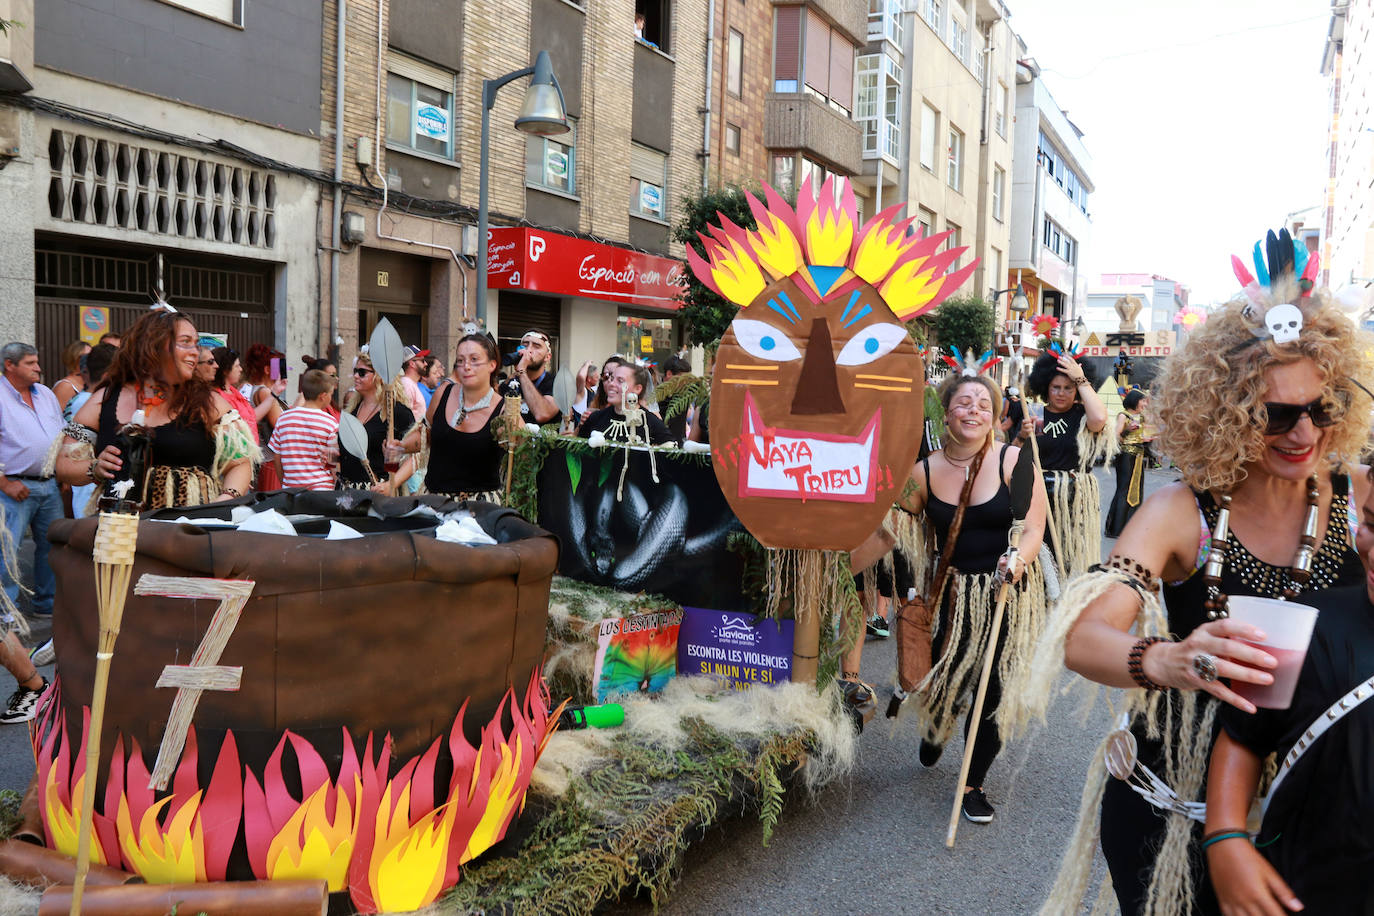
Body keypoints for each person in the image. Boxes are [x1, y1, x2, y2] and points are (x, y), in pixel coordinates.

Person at [1025, 229, 1374, 916]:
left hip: (1316, 806)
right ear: (1230, 410)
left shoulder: (1362, 498)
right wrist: (1168, 659)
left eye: (1320, 410)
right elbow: (1084, 636)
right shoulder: (1181, 514)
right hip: (1174, 811)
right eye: (1277, 414)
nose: (1303, 433)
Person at [1206, 474, 1374, 913]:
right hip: (1302, 886)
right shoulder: (1307, 623)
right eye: (1371, 523)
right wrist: (1224, 835)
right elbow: (1243, 734)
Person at [893, 373, 1047, 823]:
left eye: (984, 403)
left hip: (1004, 592)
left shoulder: (1014, 461)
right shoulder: (921, 471)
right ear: (946, 413)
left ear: (996, 415)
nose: (974, 410)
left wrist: (1017, 558)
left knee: (995, 686)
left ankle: (973, 784)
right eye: (964, 402)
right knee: (950, 674)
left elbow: (1033, 527)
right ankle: (938, 725)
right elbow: (895, 528)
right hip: (955, 595)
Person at [55, 309, 258, 510]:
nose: (195, 351)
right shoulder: (106, 399)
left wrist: (224, 500)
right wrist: (94, 468)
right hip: (119, 531)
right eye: (185, 342)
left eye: (196, 344)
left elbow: (240, 463)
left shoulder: (207, 403)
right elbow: (63, 464)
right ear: (154, 345)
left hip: (188, 531)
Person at [0, 342, 64, 722]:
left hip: (48, 483)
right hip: (14, 488)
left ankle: (44, 606)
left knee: (50, 550)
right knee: (7, 556)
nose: (39, 367)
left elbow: (56, 436)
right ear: (10, 366)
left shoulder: (45, 395)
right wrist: (4, 483)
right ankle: (7, 618)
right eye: (31, 362)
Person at [1016, 348, 1111, 576]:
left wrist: (1080, 377)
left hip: (1072, 498)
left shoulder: (1082, 415)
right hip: (1037, 495)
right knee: (1038, 557)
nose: (1061, 393)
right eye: (1056, 387)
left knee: (1067, 558)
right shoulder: (1034, 414)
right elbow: (1013, 458)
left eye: (1069, 388)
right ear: (1046, 388)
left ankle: (1065, 600)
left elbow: (1099, 419)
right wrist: (1021, 436)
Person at [396, 334, 506, 502]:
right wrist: (401, 446)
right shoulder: (443, 393)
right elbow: (426, 435)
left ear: (492, 365)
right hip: (434, 503)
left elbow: (521, 462)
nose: (466, 366)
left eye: (474, 359)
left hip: (479, 510)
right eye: (460, 361)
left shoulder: (504, 411)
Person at [338, 353, 415, 494]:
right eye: (355, 371)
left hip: (377, 493)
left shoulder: (397, 412)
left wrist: (392, 483)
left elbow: (416, 456)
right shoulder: (352, 409)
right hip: (346, 494)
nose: (355, 376)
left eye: (362, 372)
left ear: (379, 376)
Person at [269, 369, 339, 491]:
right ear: (323, 396)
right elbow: (334, 464)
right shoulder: (330, 423)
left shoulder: (283, 419)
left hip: (291, 491)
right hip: (322, 491)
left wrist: (285, 484)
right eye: (331, 394)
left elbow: (277, 456)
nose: (331, 398)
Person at [577, 363, 674, 445]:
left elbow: (671, 453)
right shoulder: (596, 418)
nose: (611, 384)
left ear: (637, 389)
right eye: (611, 378)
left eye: (620, 381)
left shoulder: (650, 423)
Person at [1104, 389, 1151, 538]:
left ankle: (1130, 527)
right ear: (1134, 400)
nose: (1144, 403)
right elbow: (1116, 435)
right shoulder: (1124, 416)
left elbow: (1150, 429)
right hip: (1126, 456)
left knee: (1136, 490)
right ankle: (1116, 529)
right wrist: (1127, 430)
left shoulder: (1142, 417)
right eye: (1142, 400)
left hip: (1138, 455)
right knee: (1124, 489)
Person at [243, 343, 289, 491]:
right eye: (280, 366)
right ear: (268, 369)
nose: (284, 370)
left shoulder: (256, 389)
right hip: (270, 461)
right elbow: (281, 425)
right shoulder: (264, 392)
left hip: (265, 460)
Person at [505, 330, 559, 424]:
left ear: (547, 357)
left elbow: (542, 414)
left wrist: (522, 371)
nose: (528, 350)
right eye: (525, 345)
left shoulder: (557, 383)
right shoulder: (511, 383)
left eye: (536, 346)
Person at [209, 348, 260, 443]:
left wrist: (274, 394)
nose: (240, 369)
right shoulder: (217, 398)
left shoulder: (234, 391)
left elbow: (251, 417)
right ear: (225, 370)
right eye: (237, 366)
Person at [52, 340, 89, 416]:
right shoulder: (65, 386)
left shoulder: (89, 383)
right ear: (74, 358)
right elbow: (58, 419)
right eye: (86, 356)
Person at [399, 345, 429, 416]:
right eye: (422, 361)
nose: (426, 364)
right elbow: (405, 417)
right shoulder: (406, 384)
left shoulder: (410, 383)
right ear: (412, 363)